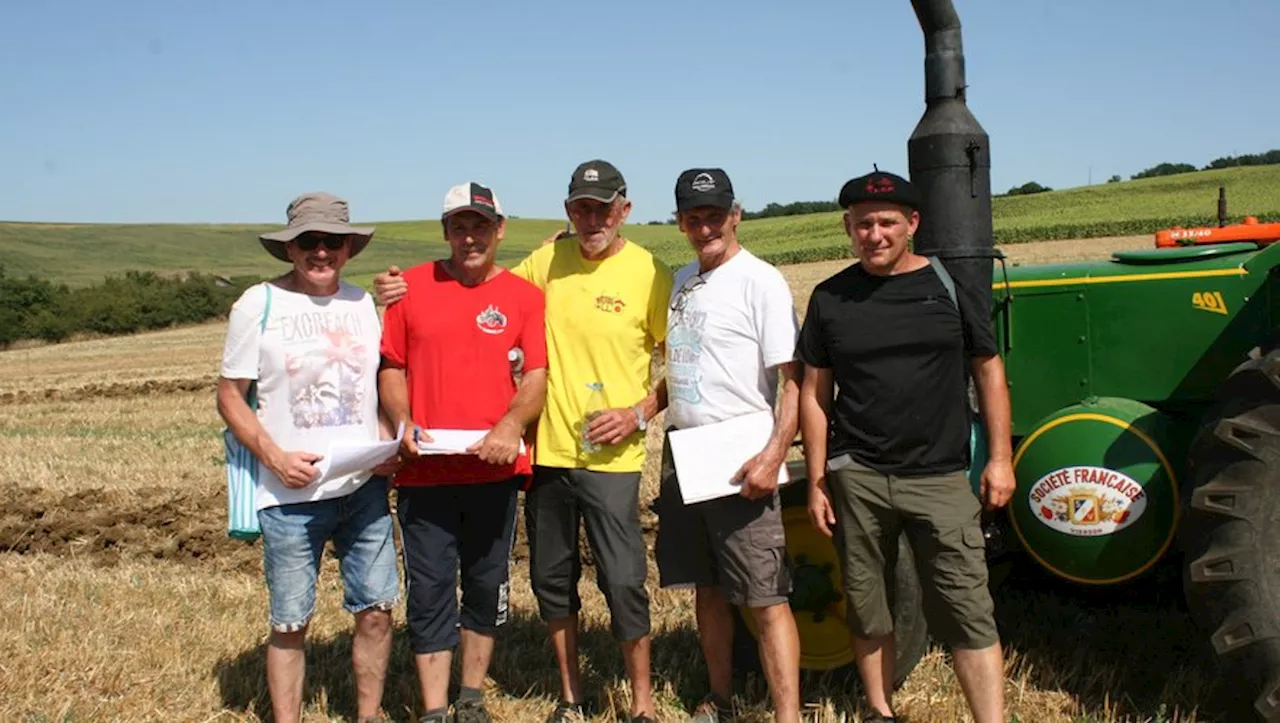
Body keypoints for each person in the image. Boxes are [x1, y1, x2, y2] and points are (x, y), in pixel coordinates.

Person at [373, 160, 672, 723]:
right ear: (567, 212)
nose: (592, 219)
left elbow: (681, 361)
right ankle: (570, 698)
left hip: (612, 459)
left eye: (603, 208)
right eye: (581, 208)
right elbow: (479, 290)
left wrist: (639, 413)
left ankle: (644, 704)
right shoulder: (544, 264)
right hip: (548, 457)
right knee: (551, 584)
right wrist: (392, 288)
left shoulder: (652, 274)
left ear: (624, 210)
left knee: (626, 583)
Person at [796, 170, 1014, 723]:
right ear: (848, 227)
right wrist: (819, 478)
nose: (875, 234)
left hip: (940, 477)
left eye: (887, 222)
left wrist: (1000, 457)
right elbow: (816, 394)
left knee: (968, 610)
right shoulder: (831, 298)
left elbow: (989, 373)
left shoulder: (949, 287)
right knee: (868, 607)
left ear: (912, 224)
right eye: (863, 224)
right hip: (859, 477)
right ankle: (877, 709)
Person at [216, 191, 400, 723]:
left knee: (377, 612)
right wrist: (273, 457)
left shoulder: (363, 303)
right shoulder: (258, 304)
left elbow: (380, 382)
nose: (321, 252)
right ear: (290, 249)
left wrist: (388, 438)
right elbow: (230, 394)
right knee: (291, 621)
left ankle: (367, 716)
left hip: (363, 489)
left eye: (332, 242)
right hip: (289, 494)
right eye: (308, 242)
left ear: (348, 248)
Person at [377, 182, 549, 723]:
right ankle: (433, 708)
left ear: (499, 229)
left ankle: (470, 698)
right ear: (445, 231)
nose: (469, 237)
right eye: (459, 227)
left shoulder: (525, 296)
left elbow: (537, 377)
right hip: (426, 473)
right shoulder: (409, 288)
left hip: (493, 471)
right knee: (428, 590)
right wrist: (401, 423)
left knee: (485, 583)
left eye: (480, 226)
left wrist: (510, 424)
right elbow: (392, 367)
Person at [652, 168, 802, 722]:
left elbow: (794, 379)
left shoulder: (760, 281)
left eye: (715, 215)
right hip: (686, 455)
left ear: (735, 215)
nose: (705, 226)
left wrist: (773, 454)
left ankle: (786, 715)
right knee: (708, 588)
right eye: (693, 217)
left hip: (742, 459)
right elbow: (681, 367)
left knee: (765, 597)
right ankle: (720, 700)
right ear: (680, 222)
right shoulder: (682, 279)